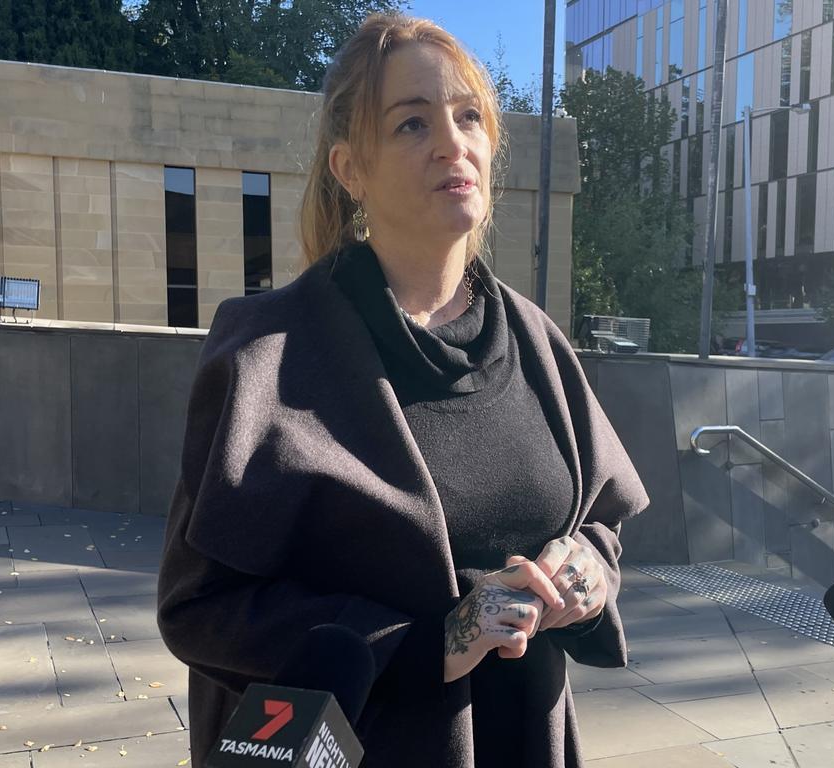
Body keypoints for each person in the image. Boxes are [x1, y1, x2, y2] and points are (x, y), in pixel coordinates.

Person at [157, 13, 649, 768]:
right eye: (413, 124)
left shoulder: (535, 341)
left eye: (469, 117)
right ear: (350, 168)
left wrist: (586, 573)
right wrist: (434, 643)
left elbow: (601, 524)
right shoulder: (266, 351)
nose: (453, 143)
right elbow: (200, 608)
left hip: (524, 739)